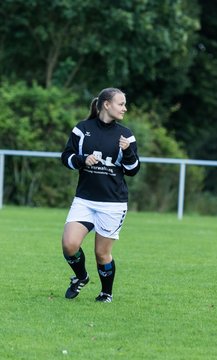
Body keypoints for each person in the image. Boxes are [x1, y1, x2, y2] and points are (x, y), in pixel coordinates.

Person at [61, 87, 140, 303]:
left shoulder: (126, 135)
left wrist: (128, 151)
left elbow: (133, 170)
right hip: (85, 199)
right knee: (69, 244)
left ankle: (106, 293)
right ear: (107, 104)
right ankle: (81, 277)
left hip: (112, 203)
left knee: (101, 254)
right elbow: (66, 158)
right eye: (121, 104)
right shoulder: (82, 129)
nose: (125, 108)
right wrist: (81, 159)